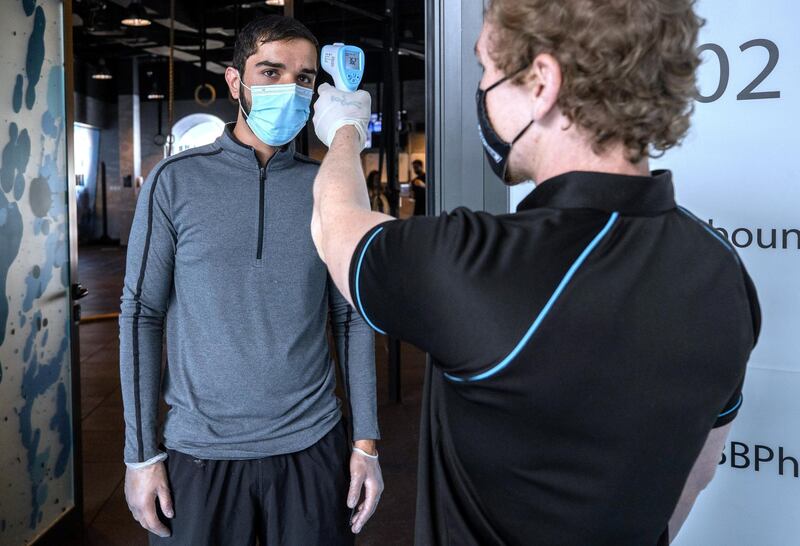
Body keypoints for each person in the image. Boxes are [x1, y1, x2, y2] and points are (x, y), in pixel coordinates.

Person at [310, 1, 760, 544]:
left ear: (542, 83)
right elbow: (700, 470)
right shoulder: (722, 270)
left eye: (486, 71)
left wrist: (345, 131)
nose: (482, 92)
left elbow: (334, 228)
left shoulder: (478, 264)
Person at [119, 16, 382, 546]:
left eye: (305, 77)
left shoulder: (327, 186)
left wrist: (365, 444)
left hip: (312, 446)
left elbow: (351, 318)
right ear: (235, 81)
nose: (290, 88)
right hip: (199, 453)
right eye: (270, 71)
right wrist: (141, 455)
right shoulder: (176, 182)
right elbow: (141, 314)